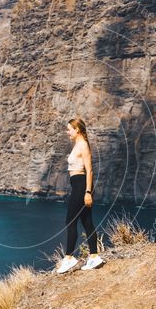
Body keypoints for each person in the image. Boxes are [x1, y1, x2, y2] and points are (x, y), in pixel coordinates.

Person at [56, 117, 105, 274]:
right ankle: (94, 257)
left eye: (69, 128)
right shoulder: (77, 144)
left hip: (81, 186)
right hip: (77, 185)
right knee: (87, 222)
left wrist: (88, 192)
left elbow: (89, 170)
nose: (67, 131)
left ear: (77, 130)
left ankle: (69, 258)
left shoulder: (83, 145)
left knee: (70, 220)